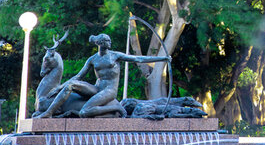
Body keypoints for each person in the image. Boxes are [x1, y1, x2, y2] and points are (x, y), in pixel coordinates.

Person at [35, 33, 171, 118]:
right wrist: (59, 88)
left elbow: (138, 59)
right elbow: (78, 76)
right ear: (100, 44)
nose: (110, 44)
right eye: (107, 41)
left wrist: (163, 58)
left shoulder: (115, 56)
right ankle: (49, 112)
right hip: (97, 88)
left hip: (109, 90)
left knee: (84, 112)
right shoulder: (93, 59)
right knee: (70, 85)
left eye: (109, 41)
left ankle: (116, 107)